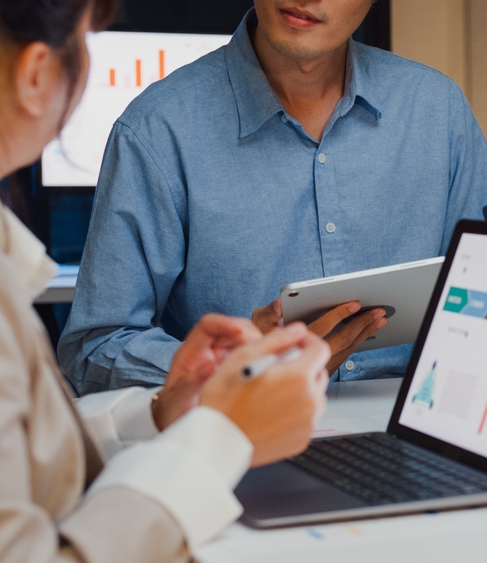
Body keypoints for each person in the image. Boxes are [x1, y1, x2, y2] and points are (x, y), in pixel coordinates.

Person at [0, 0, 339, 558]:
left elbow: (24, 449)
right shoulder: (156, 125)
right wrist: (220, 438)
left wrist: (161, 413)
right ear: (37, 74)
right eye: (89, 38)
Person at [57, 0, 487, 394]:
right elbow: (95, 346)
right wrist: (229, 365)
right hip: (238, 437)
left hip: (415, 430)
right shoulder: (158, 129)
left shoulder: (437, 110)